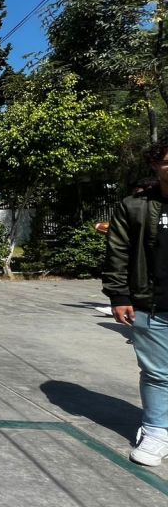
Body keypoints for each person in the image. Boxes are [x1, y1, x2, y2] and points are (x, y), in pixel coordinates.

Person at [104, 139, 168, 467]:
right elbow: (117, 252)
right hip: (152, 303)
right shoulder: (135, 206)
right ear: (156, 165)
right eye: (167, 162)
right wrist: (119, 295)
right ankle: (156, 430)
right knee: (157, 372)